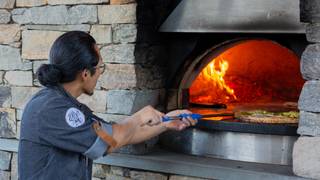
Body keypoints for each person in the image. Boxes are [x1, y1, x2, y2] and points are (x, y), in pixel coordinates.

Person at [18, 31, 197, 180]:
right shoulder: (51, 109)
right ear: (86, 74)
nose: (100, 74)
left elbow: (116, 134)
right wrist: (139, 117)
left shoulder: (67, 105)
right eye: (100, 68)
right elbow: (110, 141)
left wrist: (166, 122)